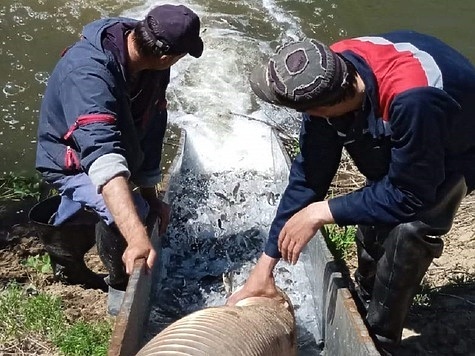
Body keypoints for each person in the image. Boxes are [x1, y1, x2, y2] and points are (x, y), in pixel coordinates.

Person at [227, 32, 475, 353]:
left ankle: (379, 340)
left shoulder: (415, 99)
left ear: (322, 107)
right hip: (404, 123)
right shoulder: (325, 71)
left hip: (457, 142)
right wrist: (265, 267)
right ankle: (369, 292)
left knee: (410, 228)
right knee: (374, 207)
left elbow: (409, 195)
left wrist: (319, 212)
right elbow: (308, 177)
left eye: (307, 112)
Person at [30, 4, 203, 299]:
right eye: (180, 56)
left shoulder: (150, 61)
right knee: (130, 213)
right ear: (165, 55)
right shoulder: (87, 75)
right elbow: (103, 159)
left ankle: (60, 243)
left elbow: (152, 127)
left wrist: (151, 194)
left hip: (116, 148)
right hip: (70, 161)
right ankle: (119, 286)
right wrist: (137, 236)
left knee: (127, 206)